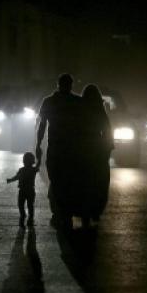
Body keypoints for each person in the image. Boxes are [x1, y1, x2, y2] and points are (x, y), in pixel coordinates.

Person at [35, 73, 83, 229]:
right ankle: (65, 212)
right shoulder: (77, 102)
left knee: (56, 180)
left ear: (58, 84)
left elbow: (42, 125)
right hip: (72, 149)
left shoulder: (49, 101)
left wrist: (38, 144)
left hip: (56, 148)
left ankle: (58, 212)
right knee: (68, 181)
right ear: (71, 85)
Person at [80, 84, 113, 224]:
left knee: (83, 183)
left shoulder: (79, 110)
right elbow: (107, 131)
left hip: (83, 150)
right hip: (98, 151)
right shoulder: (100, 111)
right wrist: (107, 149)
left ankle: (84, 211)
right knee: (100, 183)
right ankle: (95, 210)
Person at [7, 152, 40, 228]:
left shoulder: (27, 170)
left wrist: (10, 180)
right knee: (27, 205)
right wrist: (11, 180)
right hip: (28, 191)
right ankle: (28, 218)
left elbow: (17, 177)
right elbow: (17, 177)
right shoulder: (31, 169)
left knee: (24, 205)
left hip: (24, 191)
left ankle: (26, 218)